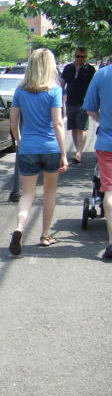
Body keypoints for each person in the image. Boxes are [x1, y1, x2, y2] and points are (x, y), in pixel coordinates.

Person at [9, 48, 68, 255]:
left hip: (29, 148)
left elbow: (14, 121)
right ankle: (44, 235)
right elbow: (58, 123)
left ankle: (19, 227)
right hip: (50, 147)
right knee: (49, 192)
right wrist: (63, 153)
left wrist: (19, 141)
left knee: (27, 193)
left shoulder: (21, 90)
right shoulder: (54, 90)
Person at [83, 63, 112, 259]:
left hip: (108, 142)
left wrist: (105, 122)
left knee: (109, 190)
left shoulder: (102, 74)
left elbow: (90, 109)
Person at [60, 47, 96, 164]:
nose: (80, 59)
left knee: (82, 128)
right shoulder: (68, 68)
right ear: (74, 56)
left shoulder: (90, 69)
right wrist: (60, 98)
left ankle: (79, 153)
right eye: (77, 56)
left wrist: (92, 101)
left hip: (84, 102)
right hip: (70, 102)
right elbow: (62, 83)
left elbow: (94, 87)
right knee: (74, 128)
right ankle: (77, 150)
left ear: (86, 57)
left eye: (82, 57)